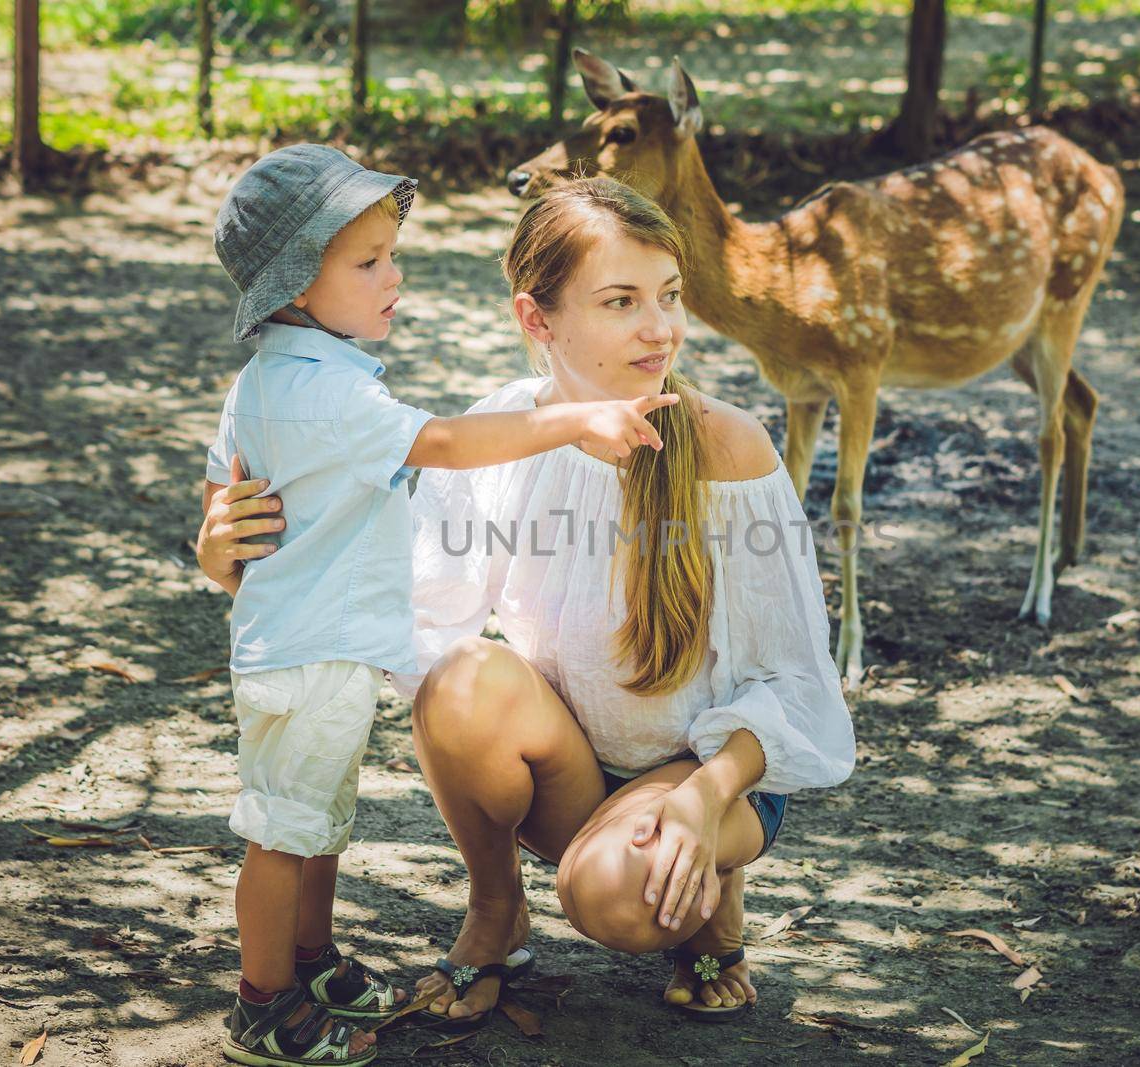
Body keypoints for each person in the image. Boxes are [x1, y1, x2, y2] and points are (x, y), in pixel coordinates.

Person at [198, 176, 854, 1035]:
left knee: (613, 897)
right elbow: (409, 607)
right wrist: (227, 557)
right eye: (621, 301)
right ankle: (496, 909)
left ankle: (709, 894)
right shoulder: (505, 430)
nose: (660, 328)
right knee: (458, 678)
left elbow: (798, 681)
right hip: (574, 768)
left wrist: (702, 796)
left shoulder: (729, 446)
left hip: (715, 773)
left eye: (668, 295)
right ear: (536, 319)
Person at [205, 147, 679, 1067]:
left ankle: (315, 964)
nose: (396, 275)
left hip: (319, 645)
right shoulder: (326, 391)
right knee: (281, 830)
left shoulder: (272, 379)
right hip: (309, 650)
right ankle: (262, 1004)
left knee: (317, 821)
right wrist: (576, 420)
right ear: (297, 284)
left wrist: (212, 548)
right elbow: (449, 442)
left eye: (392, 252)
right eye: (368, 261)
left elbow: (222, 500)